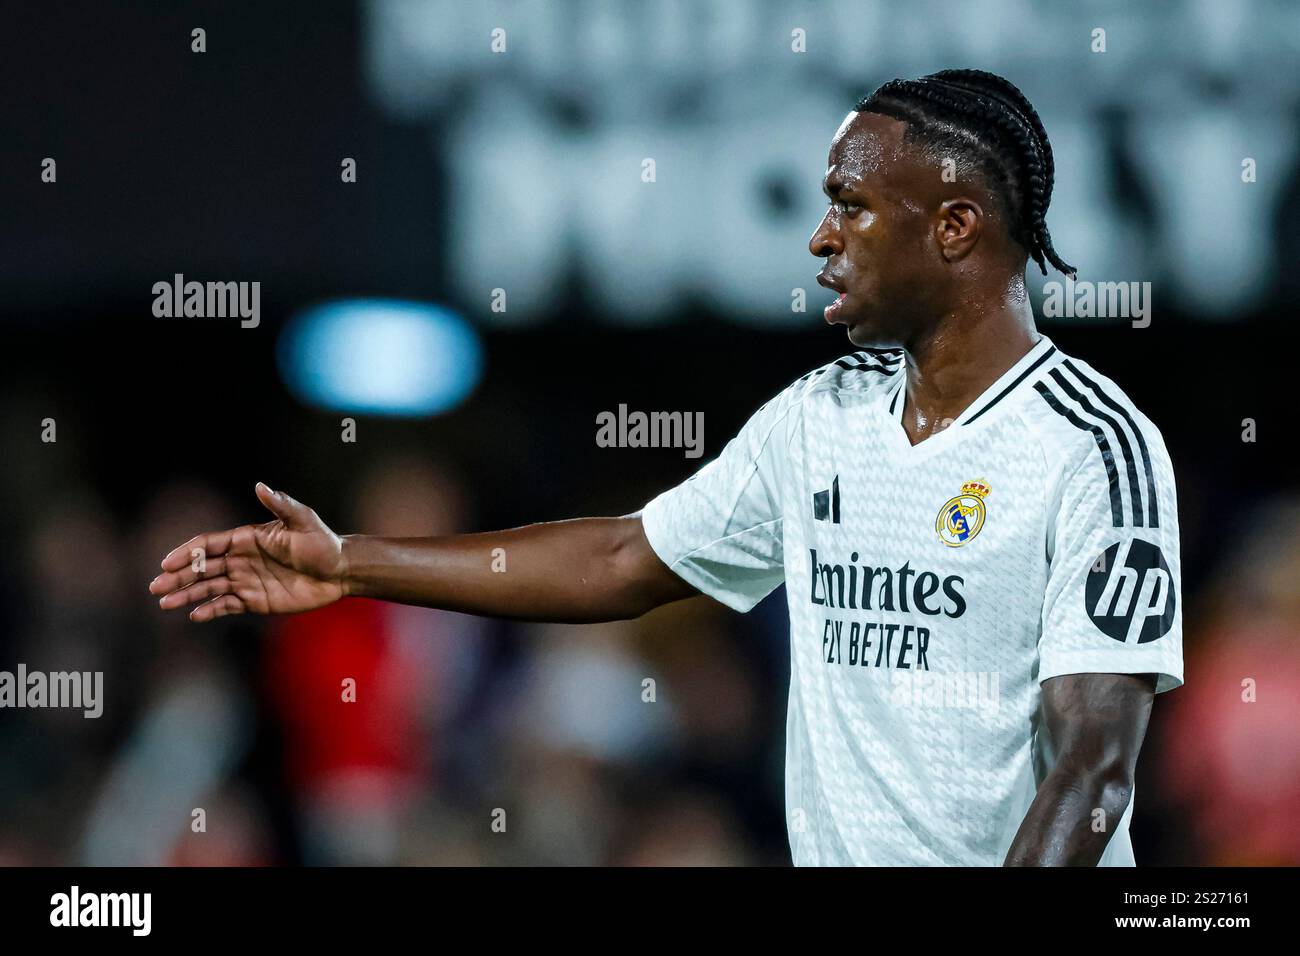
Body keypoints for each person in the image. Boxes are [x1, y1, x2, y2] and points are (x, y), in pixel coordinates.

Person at [151, 69, 1183, 866]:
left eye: (853, 205)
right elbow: (616, 558)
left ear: (955, 225)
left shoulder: (1093, 448)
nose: (821, 234)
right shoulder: (819, 418)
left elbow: (1093, 768)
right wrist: (351, 564)